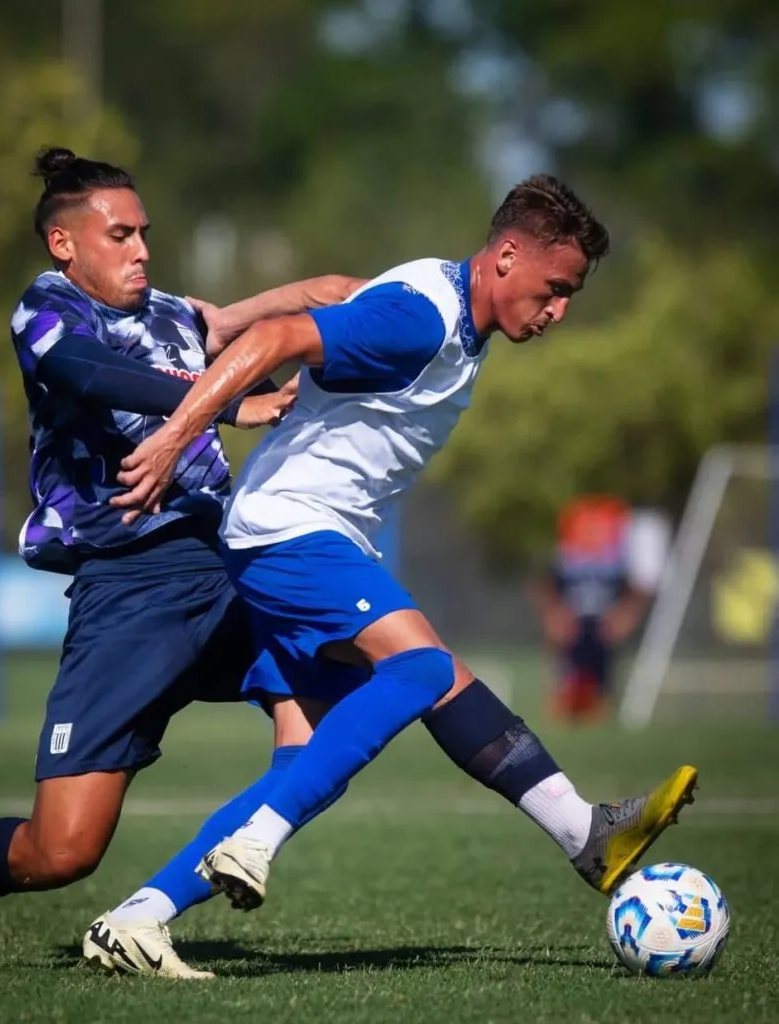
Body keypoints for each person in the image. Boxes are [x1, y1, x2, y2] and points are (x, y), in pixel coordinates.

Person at [109, 174, 698, 919]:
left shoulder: (435, 298)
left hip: (296, 533)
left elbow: (333, 291)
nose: (559, 311)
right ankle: (256, 841)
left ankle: (139, 918)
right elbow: (276, 342)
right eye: (555, 289)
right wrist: (173, 439)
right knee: (420, 667)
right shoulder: (420, 320)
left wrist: (227, 315)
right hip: (290, 531)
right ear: (507, 257)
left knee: (326, 751)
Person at [0, 147, 365, 978]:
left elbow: (238, 320)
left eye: (144, 233)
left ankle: (189, 885)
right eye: (120, 236)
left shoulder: (172, 314)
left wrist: (334, 294)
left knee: (342, 690)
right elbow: (94, 374)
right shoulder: (46, 312)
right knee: (61, 851)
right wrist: (224, 399)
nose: (141, 249)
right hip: (128, 590)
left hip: (224, 569)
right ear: (63, 244)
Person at [529, 495, 665, 721]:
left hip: (604, 627)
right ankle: (564, 709)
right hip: (573, 626)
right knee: (565, 682)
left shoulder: (619, 559)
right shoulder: (565, 557)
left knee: (602, 685)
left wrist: (626, 614)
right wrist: (553, 613)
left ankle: (600, 709)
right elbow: (543, 586)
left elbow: (636, 591)